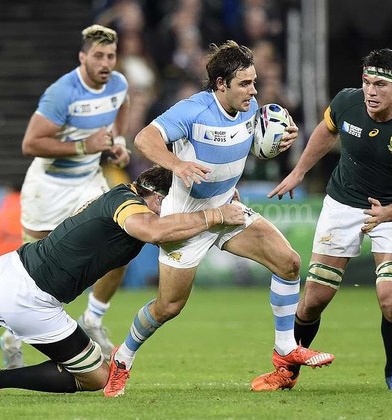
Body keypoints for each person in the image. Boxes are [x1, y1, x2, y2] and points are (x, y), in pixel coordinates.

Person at [103, 40, 335, 398]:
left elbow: (244, 144)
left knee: (289, 263)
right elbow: (144, 139)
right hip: (187, 219)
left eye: (254, 82)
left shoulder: (249, 107)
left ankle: (285, 348)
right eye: (245, 83)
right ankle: (123, 357)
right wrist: (178, 164)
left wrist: (275, 141)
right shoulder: (193, 110)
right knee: (168, 307)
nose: (253, 91)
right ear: (221, 84)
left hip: (227, 209)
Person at [0, 166, 246, 395]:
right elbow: (154, 230)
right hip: (31, 296)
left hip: (12, 269)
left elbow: (171, 231)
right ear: (156, 197)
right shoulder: (129, 205)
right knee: (97, 377)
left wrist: (218, 204)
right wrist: (216, 214)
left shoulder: (125, 199)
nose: (180, 209)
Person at [263, 48, 392, 392]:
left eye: (380, 85)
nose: (371, 91)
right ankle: (287, 370)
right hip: (342, 204)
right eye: (367, 82)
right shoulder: (347, 102)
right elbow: (326, 131)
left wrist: (386, 213)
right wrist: (299, 171)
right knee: (313, 301)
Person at [0, 24, 132, 368]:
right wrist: (84, 146)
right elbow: (30, 144)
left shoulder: (118, 84)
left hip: (89, 182)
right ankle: (12, 335)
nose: (106, 63)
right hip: (49, 188)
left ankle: (93, 319)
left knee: (121, 240)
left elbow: (123, 106)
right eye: (98, 56)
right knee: (34, 273)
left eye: (111, 56)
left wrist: (117, 142)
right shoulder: (62, 93)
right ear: (82, 57)